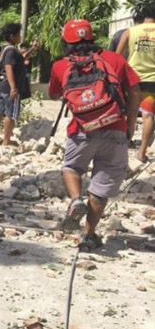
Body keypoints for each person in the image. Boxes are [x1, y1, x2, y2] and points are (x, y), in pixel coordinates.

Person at [50, 19, 140, 251]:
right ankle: (88, 236)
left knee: (71, 167)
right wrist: (130, 124)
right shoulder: (116, 59)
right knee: (101, 187)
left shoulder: (61, 65)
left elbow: (53, 94)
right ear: (92, 37)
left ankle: (76, 199)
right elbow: (135, 90)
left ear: (66, 41)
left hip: (82, 130)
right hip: (115, 128)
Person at [115, 8, 155, 162]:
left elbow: (117, 57)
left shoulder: (130, 31)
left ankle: (126, 144)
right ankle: (141, 153)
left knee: (130, 112)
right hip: (153, 80)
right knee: (149, 116)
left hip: (132, 79)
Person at [0, 23, 28, 147]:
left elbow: (20, 60)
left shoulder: (6, 49)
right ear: (12, 36)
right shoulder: (12, 50)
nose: (20, 36)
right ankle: (6, 141)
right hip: (9, 87)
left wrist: (32, 50)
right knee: (10, 114)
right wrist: (13, 88)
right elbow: (9, 68)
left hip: (1, 86)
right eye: (18, 34)